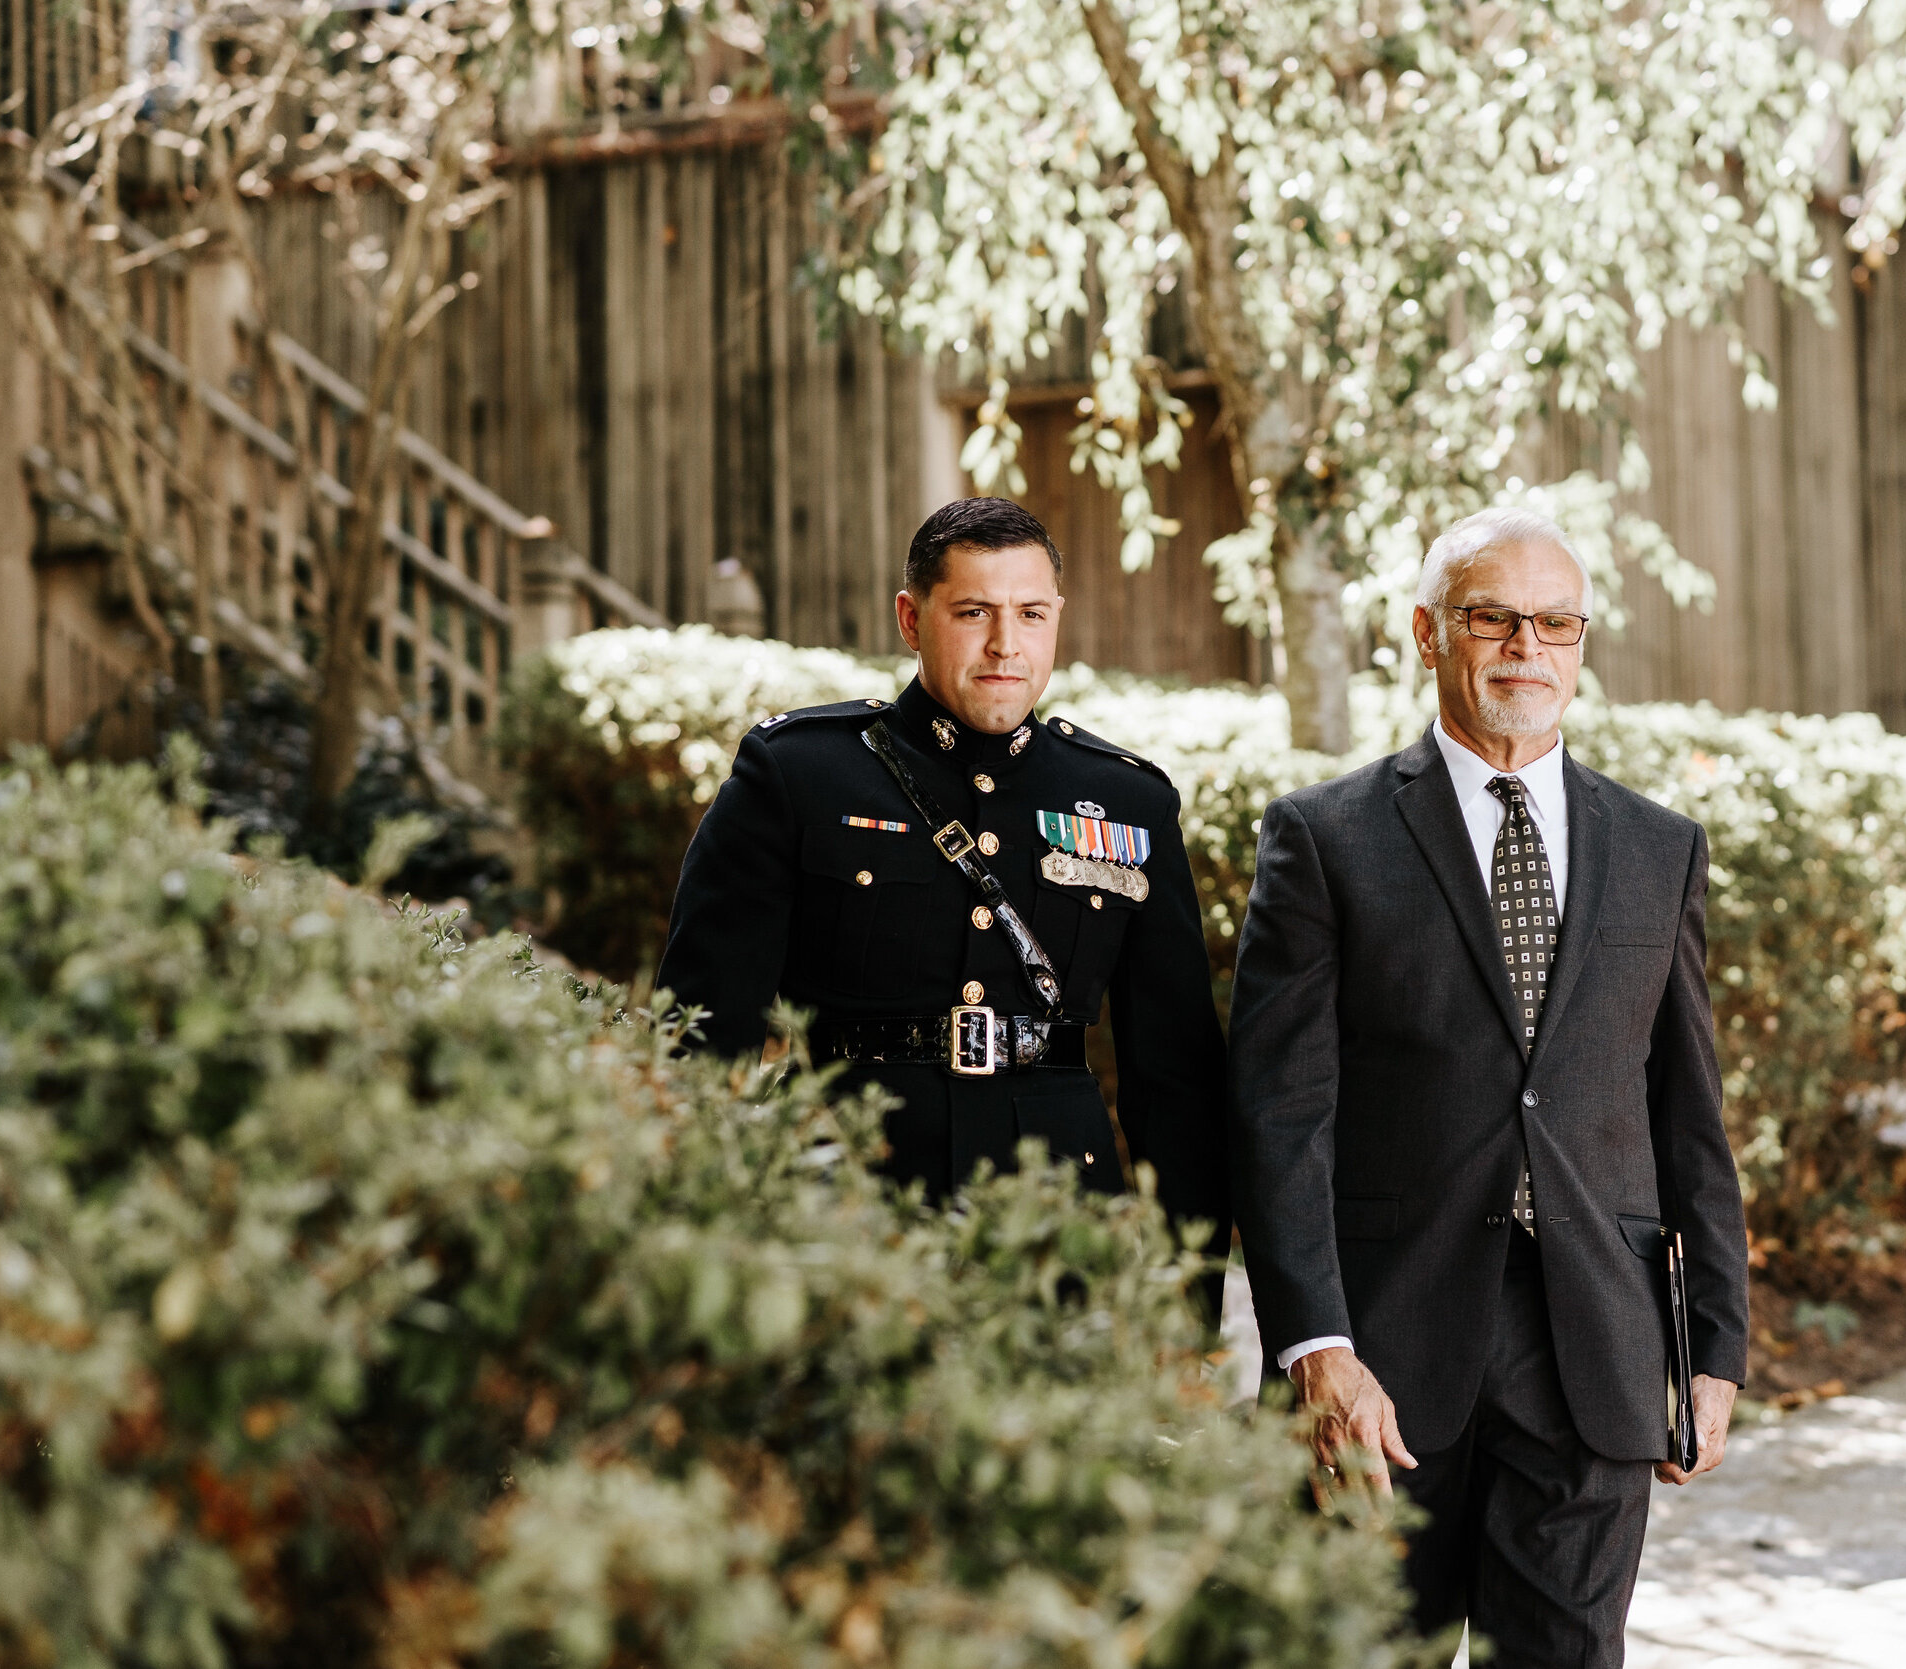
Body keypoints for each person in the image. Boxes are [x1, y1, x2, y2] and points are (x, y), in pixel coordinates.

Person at [1228, 507, 1750, 1665]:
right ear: (1427, 633)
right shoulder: (1324, 837)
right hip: (1381, 1352)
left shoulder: (1659, 847)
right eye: (1492, 618)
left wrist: (1713, 1343)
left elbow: (1688, 1112)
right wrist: (1314, 1346)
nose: (1526, 647)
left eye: (1555, 622)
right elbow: (1280, 1117)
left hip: (1594, 1351)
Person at [654, 497, 1230, 1238]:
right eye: (973, 613)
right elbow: (703, 1034)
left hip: (1059, 1225)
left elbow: (1175, 1080)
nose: (1005, 644)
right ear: (910, 618)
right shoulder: (799, 775)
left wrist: (1183, 1319)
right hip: (847, 1204)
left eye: (1030, 614)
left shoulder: (1127, 800)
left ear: (1057, 616)